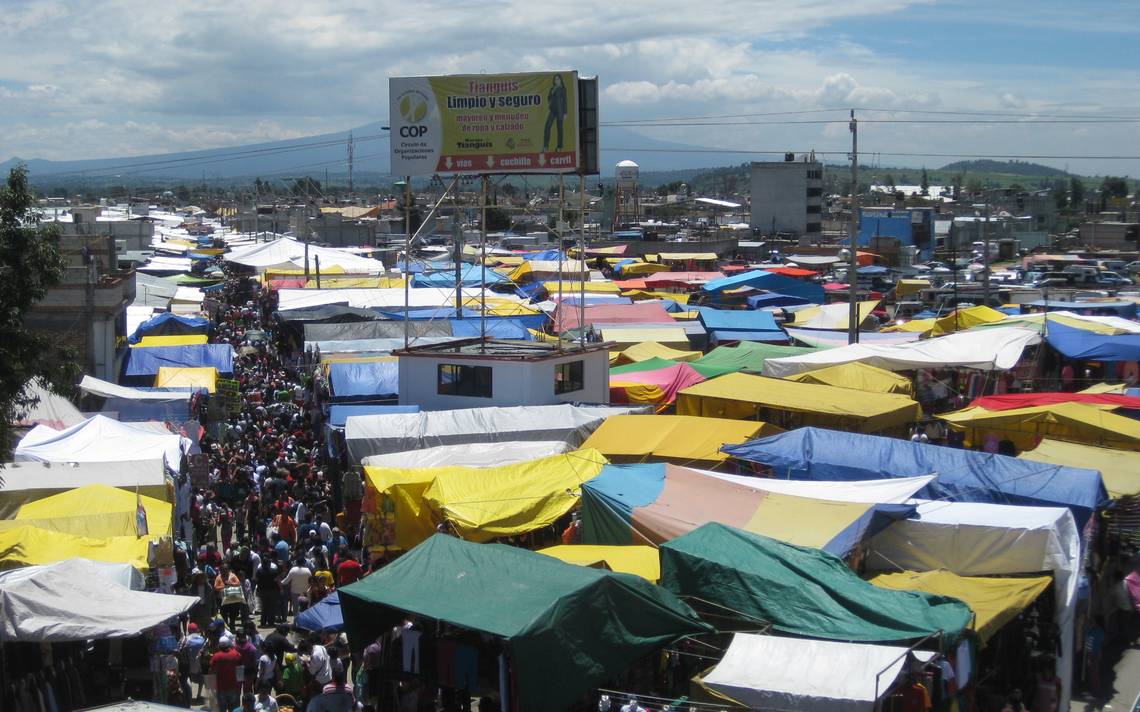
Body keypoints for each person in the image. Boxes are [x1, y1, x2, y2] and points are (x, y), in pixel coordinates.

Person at [211, 636, 244, 712]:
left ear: (219, 645)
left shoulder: (216, 657)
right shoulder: (236, 654)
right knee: (234, 709)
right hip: (234, 687)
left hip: (221, 688)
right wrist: (240, 686)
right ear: (229, 644)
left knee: (222, 709)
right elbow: (240, 671)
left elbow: (212, 672)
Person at [542, 74, 568, 152]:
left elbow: (565, 101)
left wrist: (565, 112)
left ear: (560, 80)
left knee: (559, 129)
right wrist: (552, 91)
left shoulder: (563, 89)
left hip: (560, 110)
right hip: (553, 110)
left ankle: (559, 147)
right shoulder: (552, 88)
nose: (556, 81)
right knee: (547, 126)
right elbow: (548, 98)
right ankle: (545, 147)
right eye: (555, 79)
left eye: (558, 79)